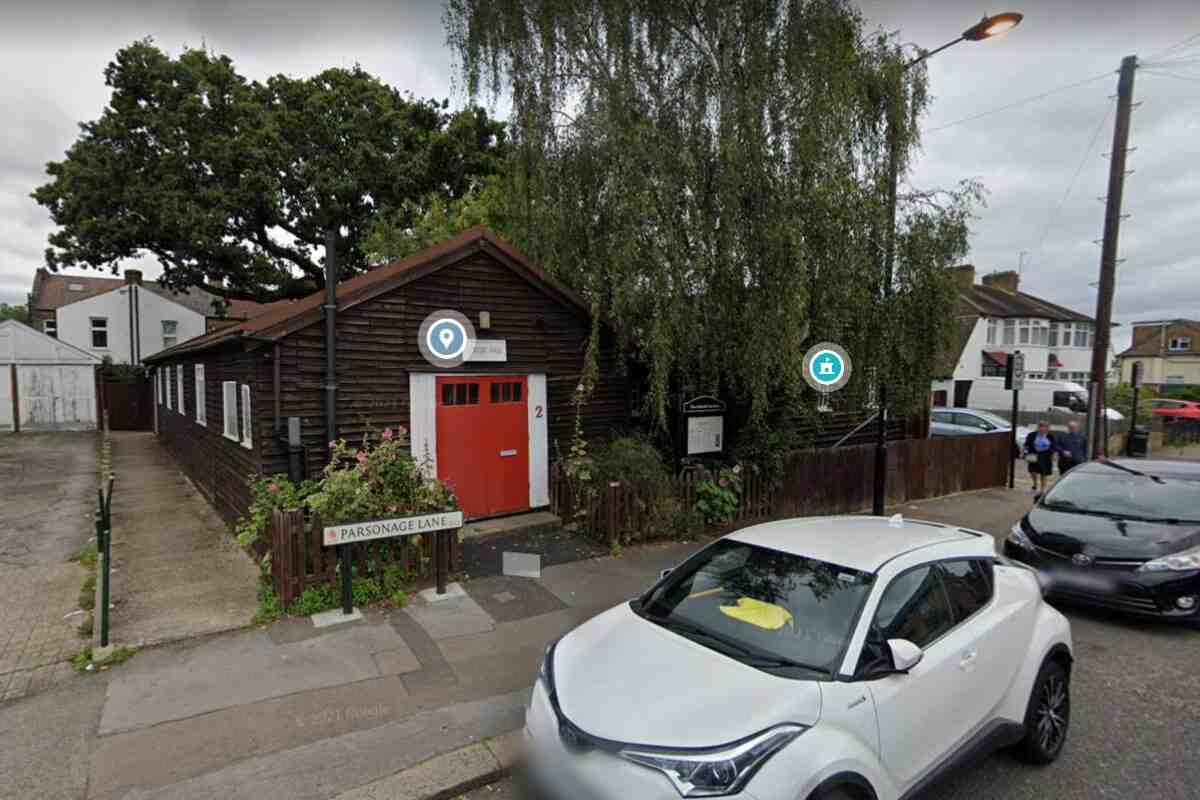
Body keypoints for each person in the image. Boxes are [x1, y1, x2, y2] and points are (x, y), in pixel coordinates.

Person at [1024, 421, 1056, 494]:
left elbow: (1054, 447)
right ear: (1038, 428)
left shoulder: (1050, 436)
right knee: (1032, 471)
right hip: (1034, 455)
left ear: (1047, 428)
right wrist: (1024, 453)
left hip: (1045, 456)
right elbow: (1026, 444)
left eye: (1045, 427)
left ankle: (1042, 490)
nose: (1042, 429)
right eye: (1041, 427)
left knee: (1043, 473)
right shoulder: (1032, 435)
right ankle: (1035, 484)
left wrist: (1053, 455)